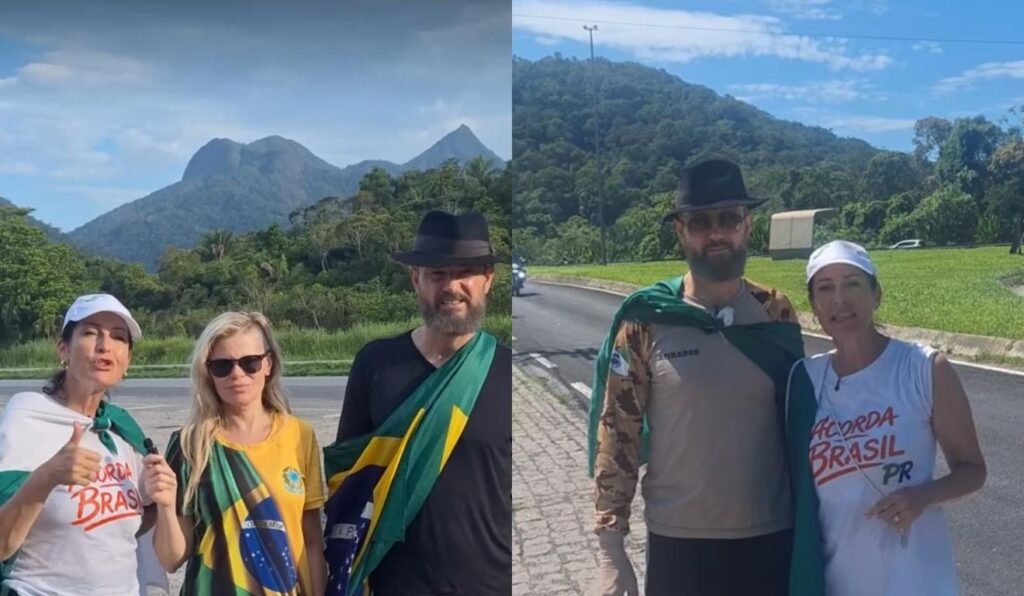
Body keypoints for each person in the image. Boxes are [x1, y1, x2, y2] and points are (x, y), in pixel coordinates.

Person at [590, 159, 805, 596]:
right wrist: (611, 551)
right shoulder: (646, 320)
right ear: (681, 231)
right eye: (699, 222)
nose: (715, 233)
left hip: (770, 537)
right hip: (679, 542)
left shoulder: (774, 312)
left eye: (728, 218)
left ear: (747, 225)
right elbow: (618, 433)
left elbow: (804, 424)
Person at [325, 210, 511, 596]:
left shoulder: (509, 371)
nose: (452, 286)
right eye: (437, 274)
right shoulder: (376, 364)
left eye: (465, 273)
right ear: (416, 279)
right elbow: (347, 481)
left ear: (488, 279)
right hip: (393, 585)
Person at [785, 240, 986, 596]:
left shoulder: (922, 368)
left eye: (852, 283)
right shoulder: (804, 380)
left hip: (917, 581)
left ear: (876, 294)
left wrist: (923, 496)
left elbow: (972, 470)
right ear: (813, 305)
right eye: (825, 288)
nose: (839, 299)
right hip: (837, 582)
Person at [154, 311, 327, 595]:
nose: (237, 374)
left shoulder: (300, 435)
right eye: (222, 366)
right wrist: (163, 506)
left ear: (268, 364)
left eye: (250, 363)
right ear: (208, 372)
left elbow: (311, 542)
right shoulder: (190, 444)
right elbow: (171, 559)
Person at [0, 293, 159, 595]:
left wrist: (157, 498)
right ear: (63, 349)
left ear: (128, 360)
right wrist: (46, 478)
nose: (105, 345)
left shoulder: (122, 431)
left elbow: (136, 524)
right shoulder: (27, 420)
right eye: (90, 333)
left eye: (118, 337)